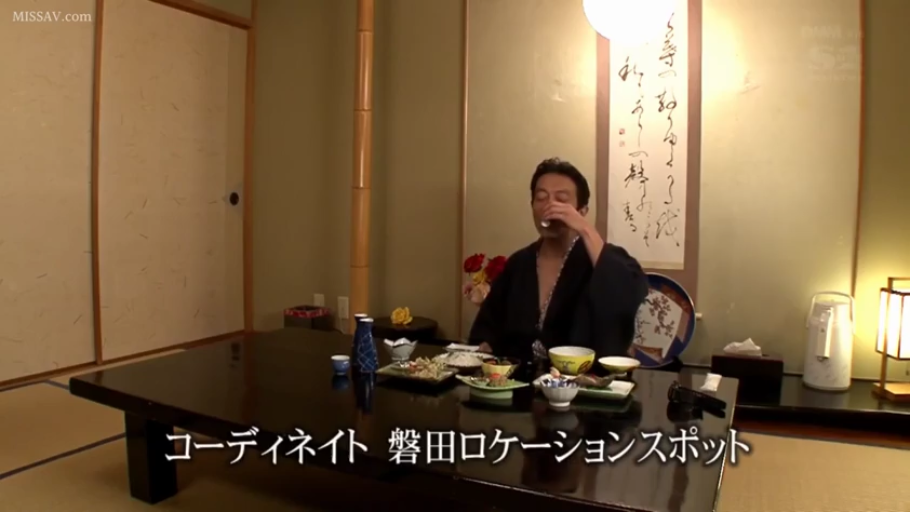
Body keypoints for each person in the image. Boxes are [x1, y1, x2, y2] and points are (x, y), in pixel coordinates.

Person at [469, 158, 648, 362]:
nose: (550, 206)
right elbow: (488, 328)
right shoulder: (519, 263)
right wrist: (486, 347)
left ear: (582, 211)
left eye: (561, 199)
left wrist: (585, 229)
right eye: (541, 198)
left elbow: (625, 299)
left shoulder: (601, 260)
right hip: (519, 378)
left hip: (584, 379)